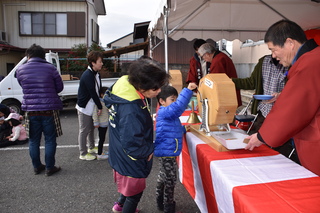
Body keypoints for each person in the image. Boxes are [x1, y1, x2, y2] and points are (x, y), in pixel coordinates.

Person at [245, 20, 320, 176]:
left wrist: (262, 136)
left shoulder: (309, 63)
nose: (273, 56)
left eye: (273, 50)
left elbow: (293, 110)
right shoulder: (314, 58)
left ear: (289, 43)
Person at [104, 58, 169, 213]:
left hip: (119, 151)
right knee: (134, 193)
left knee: (127, 187)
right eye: (155, 89)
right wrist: (147, 150)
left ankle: (119, 206)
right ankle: (124, 208)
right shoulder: (131, 110)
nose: (159, 91)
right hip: (131, 158)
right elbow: (133, 142)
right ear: (141, 86)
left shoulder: (124, 85)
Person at [231, 55, 299, 162]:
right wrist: (229, 81)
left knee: (281, 151)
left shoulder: (293, 63)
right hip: (263, 112)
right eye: (271, 50)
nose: (274, 54)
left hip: (283, 115)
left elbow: (297, 90)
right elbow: (251, 82)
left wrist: (281, 95)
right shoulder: (263, 62)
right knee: (261, 151)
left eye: (274, 49)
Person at [16, 43, 63, 176]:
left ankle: (37, 166)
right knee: (49, 139)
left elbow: (22, 85)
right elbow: (59, 88)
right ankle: (50, 167)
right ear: (43, 56)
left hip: (30, 111)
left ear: (28, 55)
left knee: (33, 140)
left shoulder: (21, 69)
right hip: (49, 110)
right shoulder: (51, 68)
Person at [154, 83, 197, 213]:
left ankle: (160, 202)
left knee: (163, 177)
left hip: (166, 151)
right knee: (170, 181)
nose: (174, 102)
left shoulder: (167, 114)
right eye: (172, 99)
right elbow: (178, 108)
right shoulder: (165, 111)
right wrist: (188, 91)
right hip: (167, 152)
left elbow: (172, 128)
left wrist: (183, 129)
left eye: (175, 99)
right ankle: (169, 207)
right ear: (161, 101)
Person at [76, 51, 104, 161]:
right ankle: (82, 153)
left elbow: (98, 90)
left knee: (92, 128)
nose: (102, 64)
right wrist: (100, 106)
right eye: (100, 62)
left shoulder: (96, 73)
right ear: (93, 63)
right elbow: (92, 92)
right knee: (84, 130)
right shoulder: (88, 75)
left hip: (91, 106)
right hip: (84, 107)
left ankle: (91, 147)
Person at [92, 86, 109, 160]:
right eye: (106, 94)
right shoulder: (98, 103)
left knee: (103, 138)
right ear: (101, 94)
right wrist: (96, 122)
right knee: (101, 138)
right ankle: (99, 154)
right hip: (101, 124)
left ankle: (101, 151)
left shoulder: (105, 101)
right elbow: (94, 113)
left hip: (105, 123)